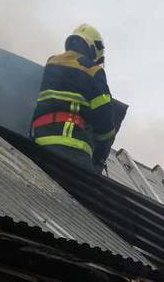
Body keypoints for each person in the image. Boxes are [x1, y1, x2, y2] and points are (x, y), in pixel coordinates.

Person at [29, 24, 117, 173]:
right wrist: (101, 152)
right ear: (93, 48)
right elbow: (104, 120)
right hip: (72, 146)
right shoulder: (93, 70)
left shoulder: (51, 63)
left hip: (39, 139)